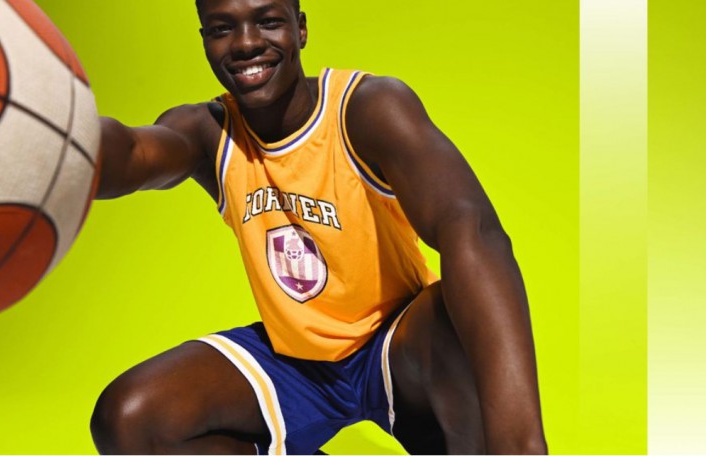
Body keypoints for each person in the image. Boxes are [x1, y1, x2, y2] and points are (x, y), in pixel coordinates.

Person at [89, 0, 547, 454]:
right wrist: (59, 132)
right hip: (298, 363)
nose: (246, 43)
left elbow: (471, 227)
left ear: (301, 29)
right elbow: (130, 154)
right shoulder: (209, 131)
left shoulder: (365, 109)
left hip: (396, 346)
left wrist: (521, 444)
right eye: (222, 28)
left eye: (268, 22)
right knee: (129, 419)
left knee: (455, 314)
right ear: (206, 41)